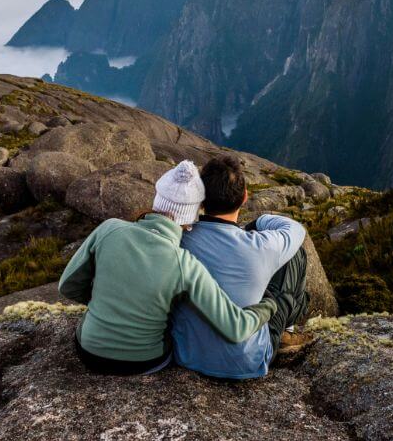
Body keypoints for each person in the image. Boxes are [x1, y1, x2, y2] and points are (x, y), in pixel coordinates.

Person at [58, 159, 276, 375]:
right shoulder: (184, 263)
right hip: (143, 361)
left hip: (88, 351)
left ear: (157, 199)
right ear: (192, 216)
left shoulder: (110, 229)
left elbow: (67, 286)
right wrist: (268, 305)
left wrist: (105, 306)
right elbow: (235, 328)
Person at [170, 154, 310, 379]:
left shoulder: (179, 239)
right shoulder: (260, 246)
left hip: (187, 355)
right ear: (245, 197)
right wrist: (258, 223)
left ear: (201, 199)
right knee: (295, 255)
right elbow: (296, 230)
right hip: (247, 362)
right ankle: (287, 331)